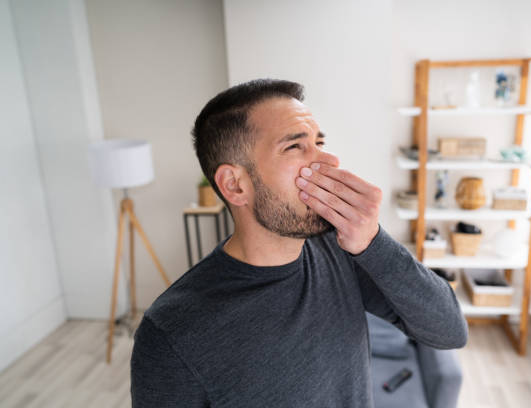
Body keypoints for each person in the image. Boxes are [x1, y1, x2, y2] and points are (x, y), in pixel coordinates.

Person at [130, 78, 468, 407]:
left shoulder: (339, 250)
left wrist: (373, 242)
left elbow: (450, 331)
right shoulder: (172, 332)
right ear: (234, 185)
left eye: (319, 143)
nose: (328, 160)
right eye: (295, 146)